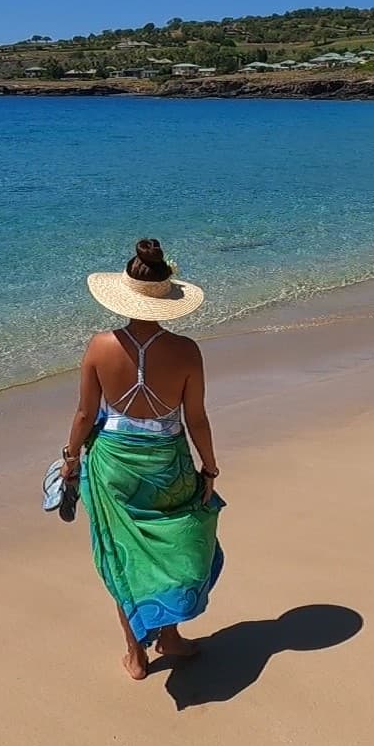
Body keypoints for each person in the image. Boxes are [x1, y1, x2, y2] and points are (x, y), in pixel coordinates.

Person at [62, 239, 224, 681]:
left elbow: (82, 413)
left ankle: (136, 654)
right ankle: (168, 635)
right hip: (167, 464)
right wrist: (209, 468)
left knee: (123, 556)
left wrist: (70, 458)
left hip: (113, 464)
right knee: (173, 550)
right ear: (168, 299)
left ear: (124, 294)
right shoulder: (187, 352)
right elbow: (197, 420)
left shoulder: (99, 347)